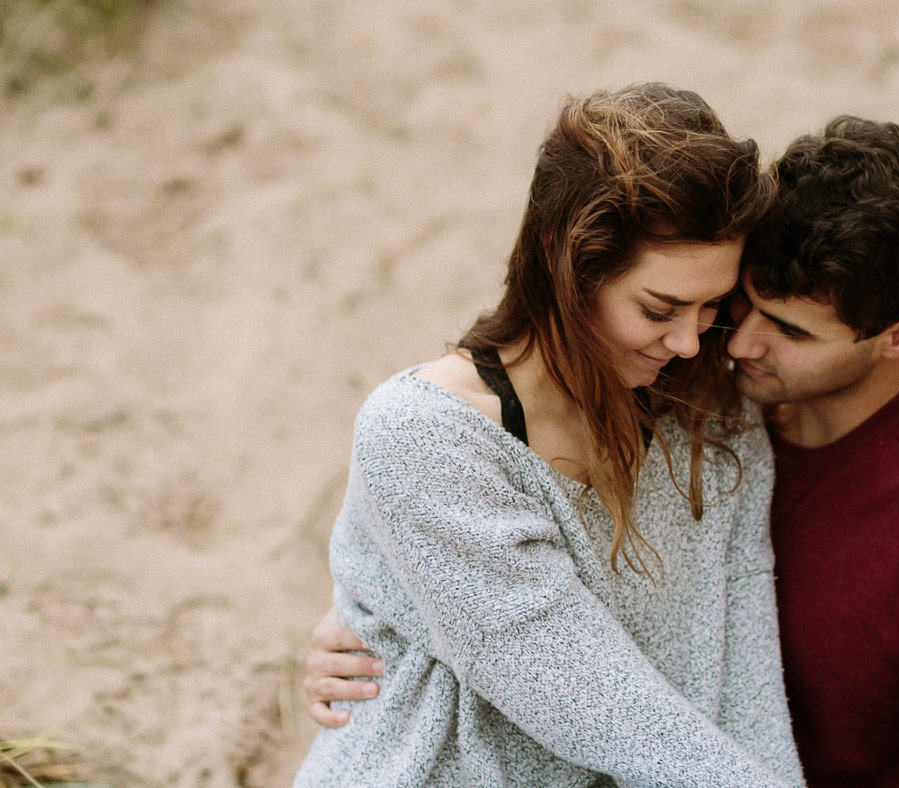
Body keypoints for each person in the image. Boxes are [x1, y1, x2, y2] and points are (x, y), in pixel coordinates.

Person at [306, 117, 899, 788]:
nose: (730, 343)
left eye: (791, 331)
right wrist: (397, 604)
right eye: (735, 307)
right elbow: (554, 630)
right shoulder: (703, 394)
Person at [291, 83, 805, 788]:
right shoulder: (421, 437)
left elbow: (747, 678)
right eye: (660, 308)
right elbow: (590, 699)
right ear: (567, 267)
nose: (690, 341)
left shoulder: (714, 424)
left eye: (712, 305)